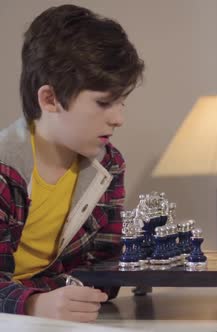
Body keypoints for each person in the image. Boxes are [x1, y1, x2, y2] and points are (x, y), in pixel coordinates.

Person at [0, 5, 144, 321]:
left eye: (122, 102)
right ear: (49, 99)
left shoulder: (108, 166)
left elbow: (105, 274)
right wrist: (34, 302)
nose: (119, 118)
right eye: (104, 103)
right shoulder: (5, 171)